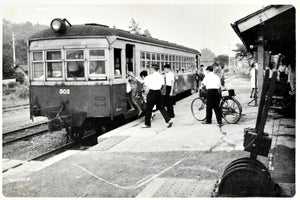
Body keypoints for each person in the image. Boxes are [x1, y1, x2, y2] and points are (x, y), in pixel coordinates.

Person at [142, 64, 173, 128]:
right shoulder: (161, 76)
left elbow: (147, 88)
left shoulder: (148, 77)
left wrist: (145, 94)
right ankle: (168, 120)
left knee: (148, 109)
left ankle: (147, 124)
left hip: (151, 93)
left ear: (153, 69)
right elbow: (162, 86)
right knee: (161, 107)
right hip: (158, 93)